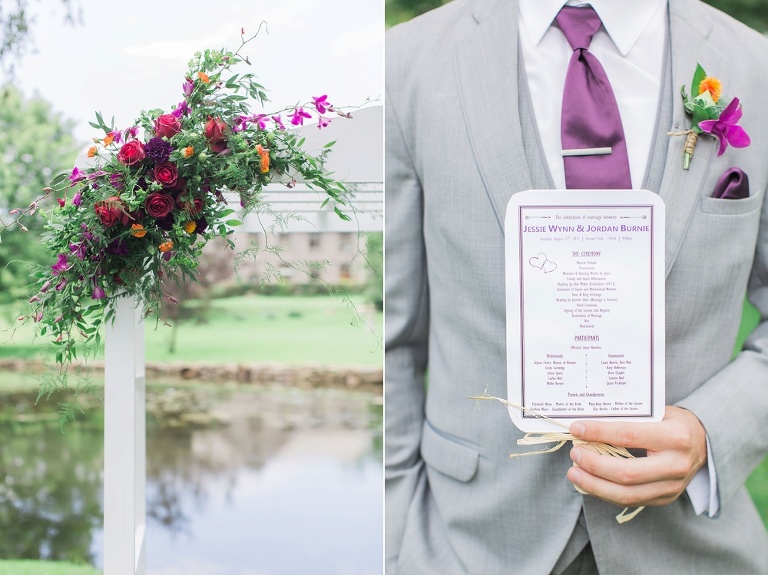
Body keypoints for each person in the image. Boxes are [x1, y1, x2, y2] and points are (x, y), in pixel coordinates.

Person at [385, 0, 768, 573]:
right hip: (465, 546)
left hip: (693, 549)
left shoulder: (756, 67)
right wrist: (394, 542)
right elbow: (387, 338)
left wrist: (713, 431)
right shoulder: (405, 63)